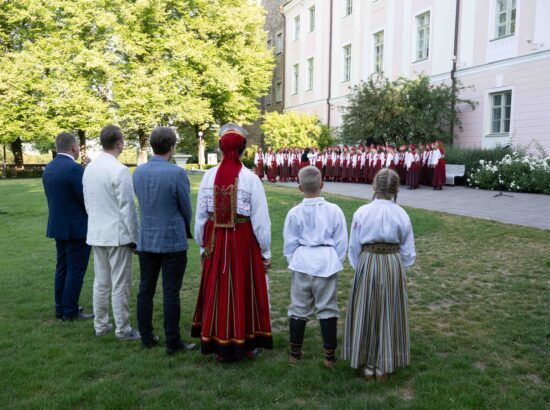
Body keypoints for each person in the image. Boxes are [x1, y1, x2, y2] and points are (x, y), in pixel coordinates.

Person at [192, 124, 273, 361]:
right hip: (242, 239)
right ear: (243, 150)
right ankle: (244, 343)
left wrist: (202, 244)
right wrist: (265, 249)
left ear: (220, 148)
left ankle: (219, 343)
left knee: (217, 287)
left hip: (216, 240)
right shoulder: (250, 179)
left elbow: (201, 216)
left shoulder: (208, 177)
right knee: (242, 286)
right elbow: (260, 219)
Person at [343, 168, 415, 382]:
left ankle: (369, 364)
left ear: (374, 186)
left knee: (367, 310)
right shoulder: (401, 213)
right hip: (392, 263)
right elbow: (408, 252)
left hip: (368, 261)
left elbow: (354, 246)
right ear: (397, 189)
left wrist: (361, 267)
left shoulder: (362, 212)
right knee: (388, 311)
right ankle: (383, 365)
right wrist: (398, 265)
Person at [133, 127, 196, 354]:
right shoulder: (176, 173)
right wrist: (187, 228)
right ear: (172, 147)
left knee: (145, 289)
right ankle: (172, 341)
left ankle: (147, 338)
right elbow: (186, 208)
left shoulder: (138, 173)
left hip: (147, 238)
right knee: (170, 292)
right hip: (171, 239)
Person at [283, 166, 347, 368]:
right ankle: (328, 357)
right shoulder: (334, 210)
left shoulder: (294, 213)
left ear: (299, 187)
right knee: (327, 307)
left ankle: (295, 353)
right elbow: (341, 242)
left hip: (303, 261)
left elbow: (289, 243)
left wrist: (294, 260)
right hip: (324, 262)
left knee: (299, 307)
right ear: (322, 184)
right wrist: (335, 260)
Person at [83, 125, 140, 340]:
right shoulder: (120, 170)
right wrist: (135, 238)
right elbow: (129, 209)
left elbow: (88, 202)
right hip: (117, 235)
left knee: (101, 281)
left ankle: (101, 325)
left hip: (97, 231)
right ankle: (123, 329)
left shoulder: (90, 168)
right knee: (120, 283)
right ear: (119, 143)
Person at [43, 132, 93, 321]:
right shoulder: (74, 169)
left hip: (58, 225)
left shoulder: (49, 168)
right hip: (76, 227)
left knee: (62, 268)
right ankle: (70, 310)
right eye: (78, 146)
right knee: (75, 270)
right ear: (73, 147)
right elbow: (85, 199)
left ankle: (61, 308)